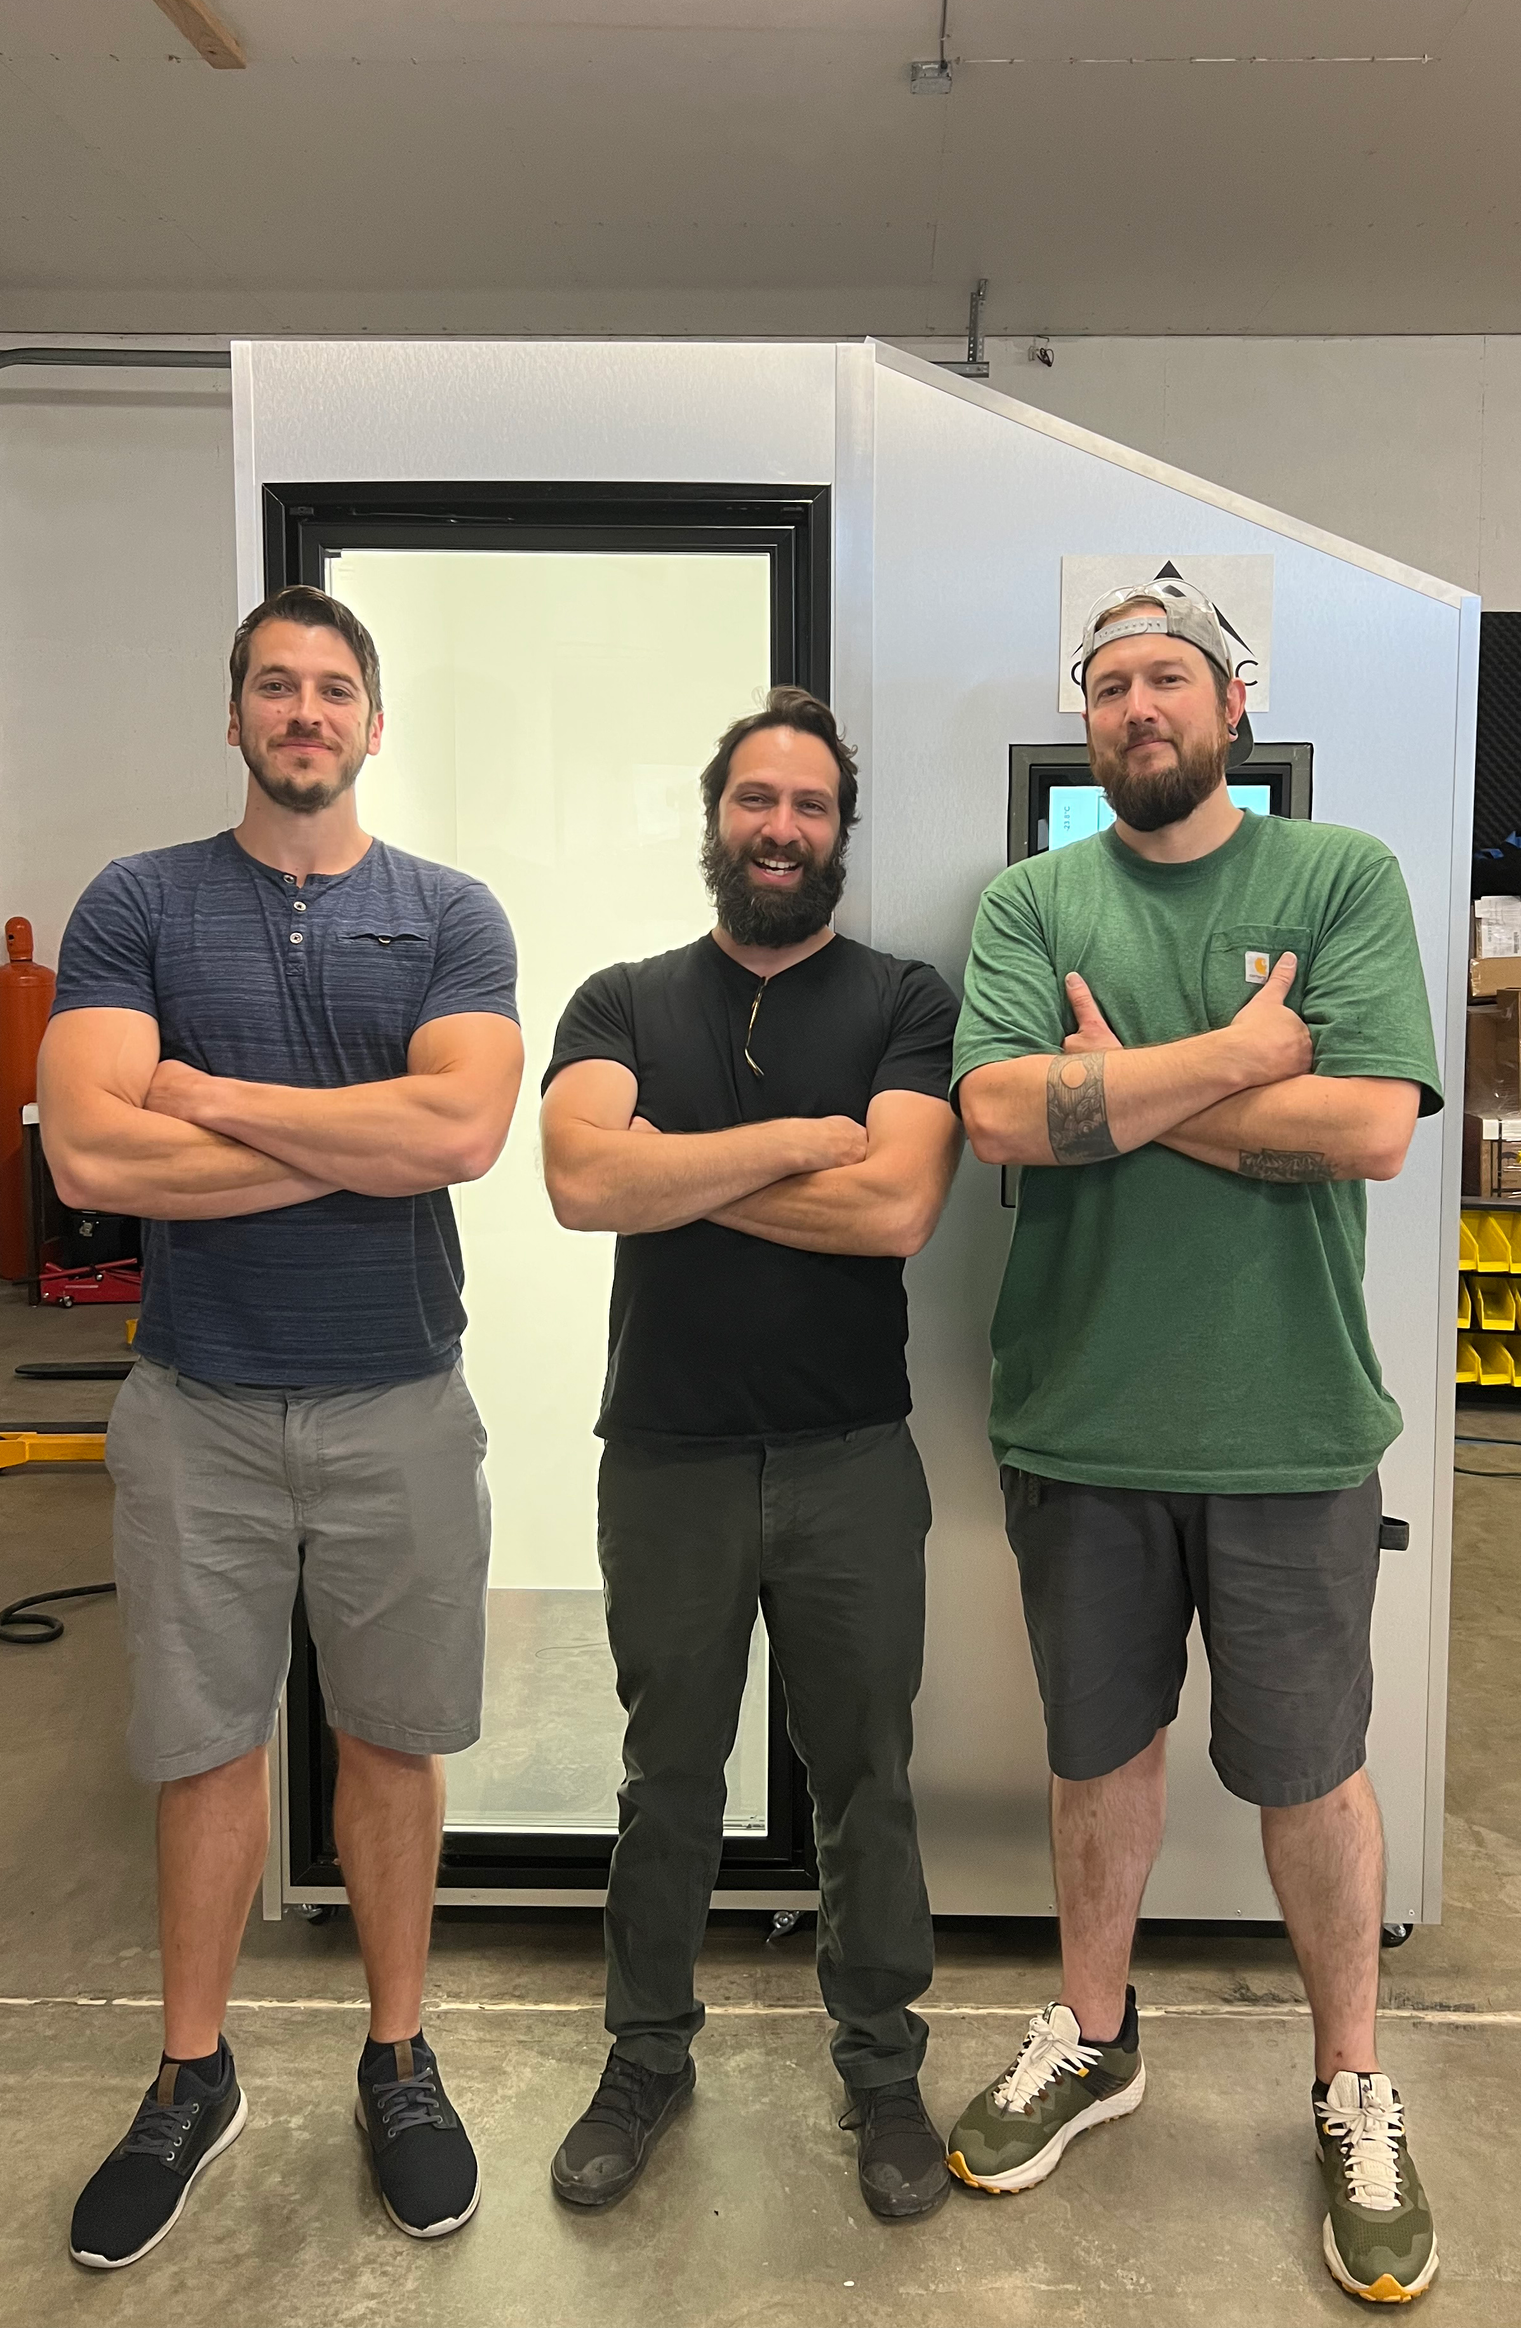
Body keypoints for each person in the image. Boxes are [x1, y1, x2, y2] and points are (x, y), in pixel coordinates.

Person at [944, 581, 1444, 2304]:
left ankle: (1351, 2082)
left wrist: (1131, 1100)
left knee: (1313, 1769)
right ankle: (1097, 2034)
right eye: (1108, 683)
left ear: (1233, 698)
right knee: (1101, 1753)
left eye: (1167, 677)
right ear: (1082, 717)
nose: (1137, 705)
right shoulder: (1033, 898)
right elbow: (1003, 1112)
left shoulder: (1342, 880)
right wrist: (1239, 1063)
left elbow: (1373, 1128)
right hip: (1079, 1418)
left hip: (1292, 1425)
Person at [40, 584, 523, 2270]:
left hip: (398, 1400)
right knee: (203, 1749)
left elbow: (464, 1135)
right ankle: (192, 2075)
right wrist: (352, 1136)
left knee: (393, 1743)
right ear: (235, 716)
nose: (304, 712)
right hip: (198, 1411)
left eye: (333, 689)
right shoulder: (137, 904)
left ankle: (397, 2057)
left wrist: (213, 1097)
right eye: (274, 687)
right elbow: (89, 1162)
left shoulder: (449, 914)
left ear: (374, 724)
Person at [539, 685, 962, 2223]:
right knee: (667, 1778)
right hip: (666, 1459)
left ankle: (882, 2067)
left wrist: (672, 1172)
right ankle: (645, 2056)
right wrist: (796, 1144)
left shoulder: (909, 1001)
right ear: (713, 818)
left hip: (851, 1456)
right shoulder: (619, 1000)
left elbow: (898, 1210)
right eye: (755, 801)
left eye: (810, 806)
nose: (780, 829)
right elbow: (582, 1184)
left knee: (867, 1779)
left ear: (841, 832)